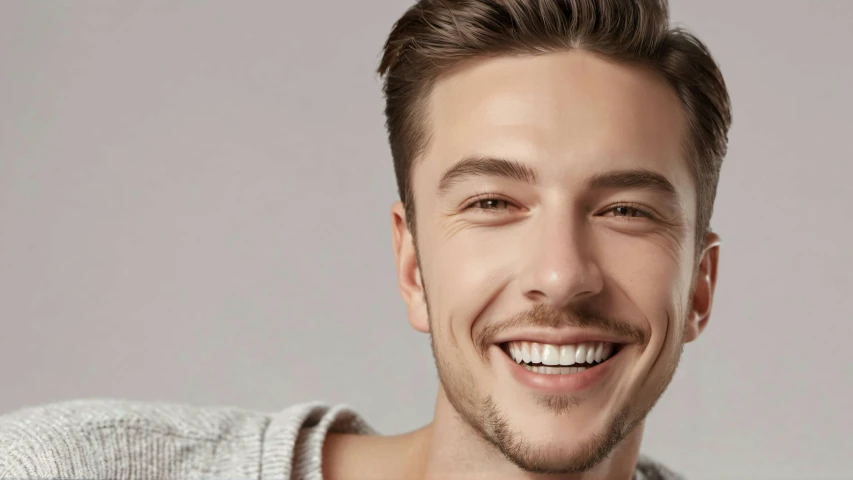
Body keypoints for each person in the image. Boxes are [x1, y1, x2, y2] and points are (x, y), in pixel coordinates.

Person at [0, 0, 731, 478]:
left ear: (699, 286)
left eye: (625, 211)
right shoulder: (61, 468)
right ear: (412, 266)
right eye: (492, 201)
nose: (561, 274)